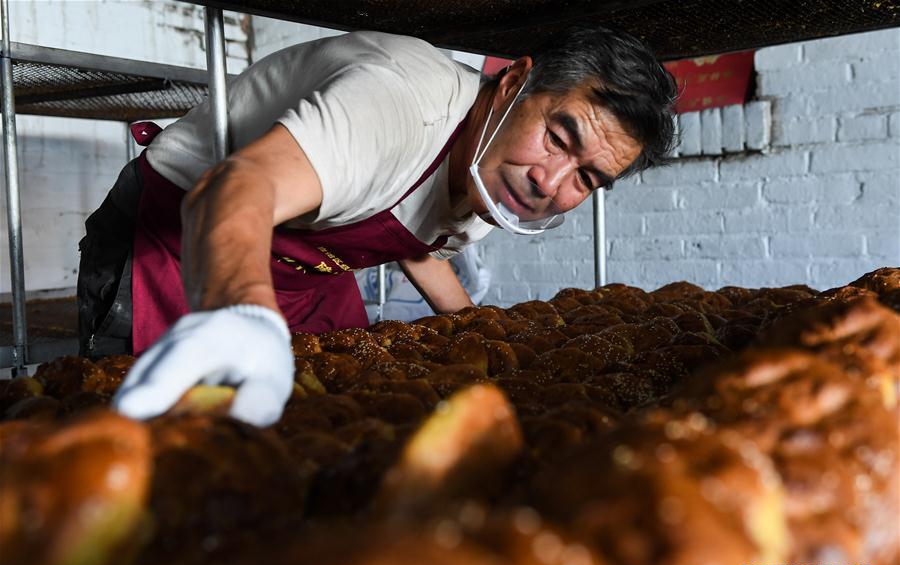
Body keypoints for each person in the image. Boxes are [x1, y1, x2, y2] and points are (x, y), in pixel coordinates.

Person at [77, 25, 677, 426]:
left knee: (339, 416)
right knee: (166, 430)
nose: (550, 182)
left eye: (588, 178)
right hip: (183, 232)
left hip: (307, 266)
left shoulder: (496, 169)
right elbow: (237, 188)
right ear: (514, 85)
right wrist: (242, 312)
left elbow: (414, 238)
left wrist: (496, 343)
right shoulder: (396, 108)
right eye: (558, 137)